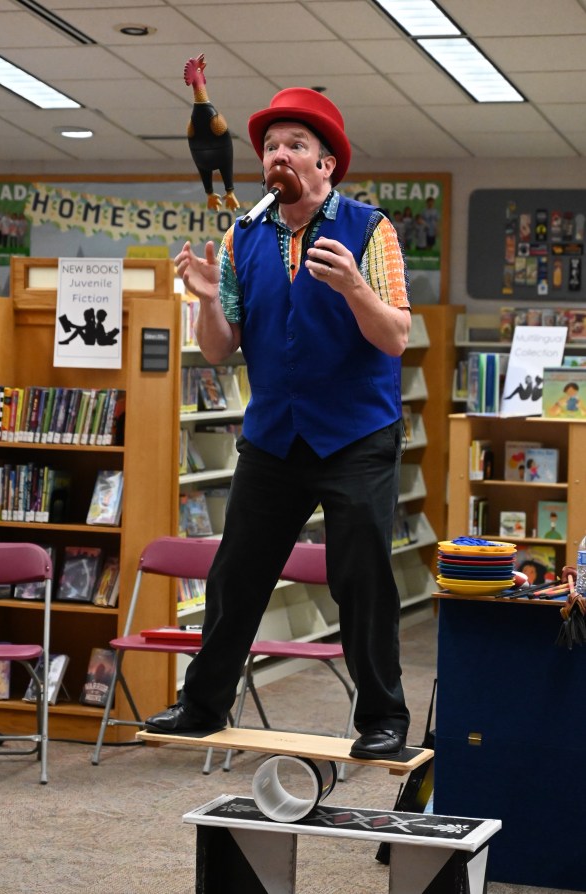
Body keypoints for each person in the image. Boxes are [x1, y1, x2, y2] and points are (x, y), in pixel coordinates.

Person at [146, 87, 412, 759]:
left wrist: (355, 287)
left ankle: (382, 719)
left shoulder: (370, 231)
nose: (278, 156)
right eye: (270, 147)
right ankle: (202, 705)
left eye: (295, 146)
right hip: (272, 435)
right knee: (236, 576)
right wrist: (207, 300)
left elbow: (396, 339)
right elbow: (216, 348)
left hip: (355, 435)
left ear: (327, 165)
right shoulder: (243, 237)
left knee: (362, 575)